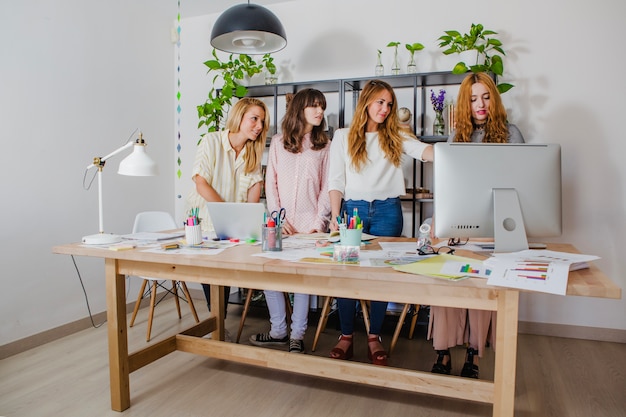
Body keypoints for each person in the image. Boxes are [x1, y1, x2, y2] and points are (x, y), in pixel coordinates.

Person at [327, 79, 433, 365]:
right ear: (366, 102)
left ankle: (374, 337)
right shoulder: (343, 136)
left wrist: (455, 151)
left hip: (388, 212)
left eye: (389, 104)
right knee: (347, 275)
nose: (385, 109)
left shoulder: (396, 135)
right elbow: (335, 180)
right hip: (352, 212)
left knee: (381, 275)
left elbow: (425, 152)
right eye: (380, 102)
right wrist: (336, 218)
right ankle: (346, 336)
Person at [429, 72, 524, 378]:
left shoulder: (511, 134)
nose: (479, 104)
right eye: (472, 99)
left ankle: (475, 354)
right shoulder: (455, 136)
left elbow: (520, 185)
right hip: (457, 224)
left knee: (481, 287)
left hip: (492, 226)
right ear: (464, 104)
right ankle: (442, 352)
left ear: (493, 99)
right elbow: (446, 185)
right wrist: (436, 224)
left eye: (485, 97)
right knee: (445, 281)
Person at [248, 88, 331, 354]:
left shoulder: (324, 145)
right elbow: (270, 184)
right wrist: (275, 217)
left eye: (322, 106)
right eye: (314, 106)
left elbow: (327, 187)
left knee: (302, 281)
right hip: (281, 225)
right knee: (271, 275)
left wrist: (319, 223)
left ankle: (297, 335)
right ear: (300, 109)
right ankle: (278, 331)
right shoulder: (279, 142)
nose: (320, 111)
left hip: (309, 228)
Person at [186, 97, 269, 332]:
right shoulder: (211, 141)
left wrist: (248, 222)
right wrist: (227, 214)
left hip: (234, 230)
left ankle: (218, 328)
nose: (259, 126)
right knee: (213, 280)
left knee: (224, 280)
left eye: (262, 121)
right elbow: (200, 183)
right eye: (254, 119)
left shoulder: (253, 152)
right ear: (238, 117)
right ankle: (218, 328)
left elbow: (254, 190)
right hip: (207, 226)